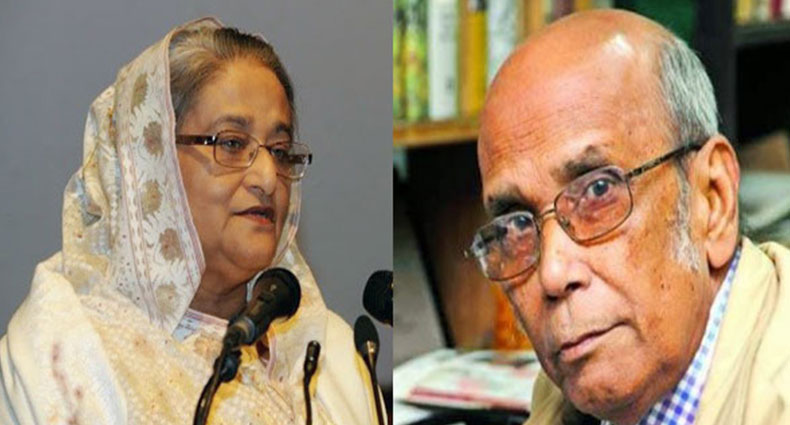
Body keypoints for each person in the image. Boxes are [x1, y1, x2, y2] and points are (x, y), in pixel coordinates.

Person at [0, 18, 378, 424]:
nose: (269, 178)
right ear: (151, 164)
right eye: (231, 143)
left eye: (280, 150)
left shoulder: (330, 355)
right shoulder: (60, 355)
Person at [466, 9, 790, 425]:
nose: (552, 274)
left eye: (598, 191)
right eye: (516, 226)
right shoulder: (568, 401)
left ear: (713, 199)